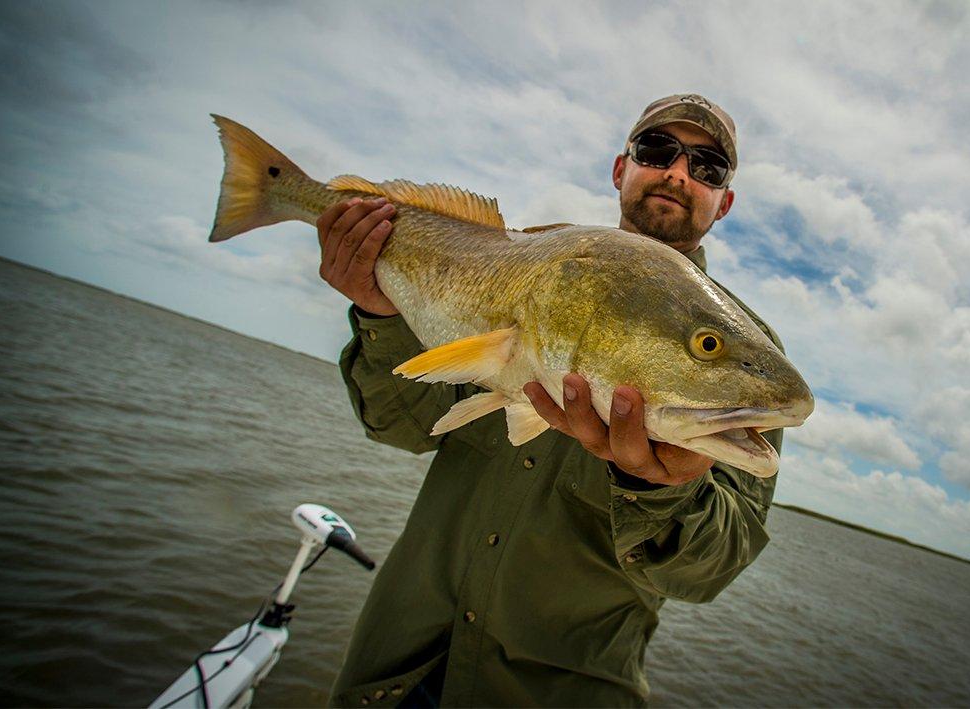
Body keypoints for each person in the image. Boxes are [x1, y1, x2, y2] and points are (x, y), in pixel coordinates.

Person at [322, 94, 786, 708]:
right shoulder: (529, 271)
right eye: (657, 150)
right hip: (397, 667)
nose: (678, 173)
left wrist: (663, 490)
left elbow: (711, 568)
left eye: (707, 167)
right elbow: (397, 427)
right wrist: (378, 315)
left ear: (723, 203)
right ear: (621, 169)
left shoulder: (742, 370)